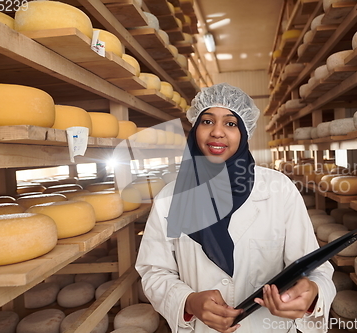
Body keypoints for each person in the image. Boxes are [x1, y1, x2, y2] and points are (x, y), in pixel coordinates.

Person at [136, 83, 335, 333]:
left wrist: (312, 293)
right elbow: (154, 271)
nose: (217, 132)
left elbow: (314, 268)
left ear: (244, 133)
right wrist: (188, 301)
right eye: (207, 121)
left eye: (230, 124)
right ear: (195, 129)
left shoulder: (278, 188)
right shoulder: (170, 197)